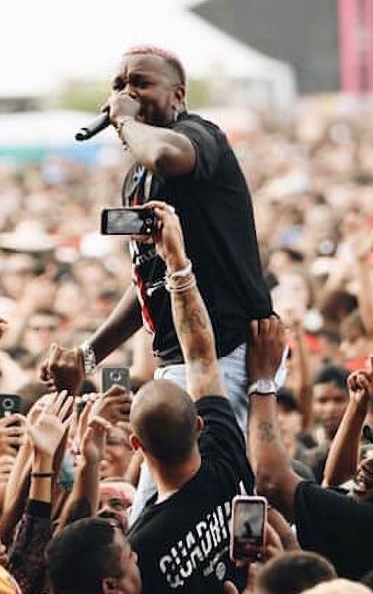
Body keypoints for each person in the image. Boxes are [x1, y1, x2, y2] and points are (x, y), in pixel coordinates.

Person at [41, 44, 274, 431]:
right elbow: (150, 281)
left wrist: (125, 120)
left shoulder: (199, 135)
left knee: (201, 468)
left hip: (224, 351)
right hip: (176, 355)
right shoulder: (138, 176)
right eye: (119, 86)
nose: (126, 94)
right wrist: (88, 356)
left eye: (140, 83)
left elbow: (166, 155)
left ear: (177, 95)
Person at [122, 202, 258, 593]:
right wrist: (176, 261)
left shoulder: (138, 550)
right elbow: (200, 356)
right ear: (199, 425)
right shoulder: (224, 450)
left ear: (136, 445)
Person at [251, 350, 373, 582]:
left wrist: (262, 381)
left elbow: (271, 480)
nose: (367, 463)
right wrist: (358, 406)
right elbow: (336, 482)